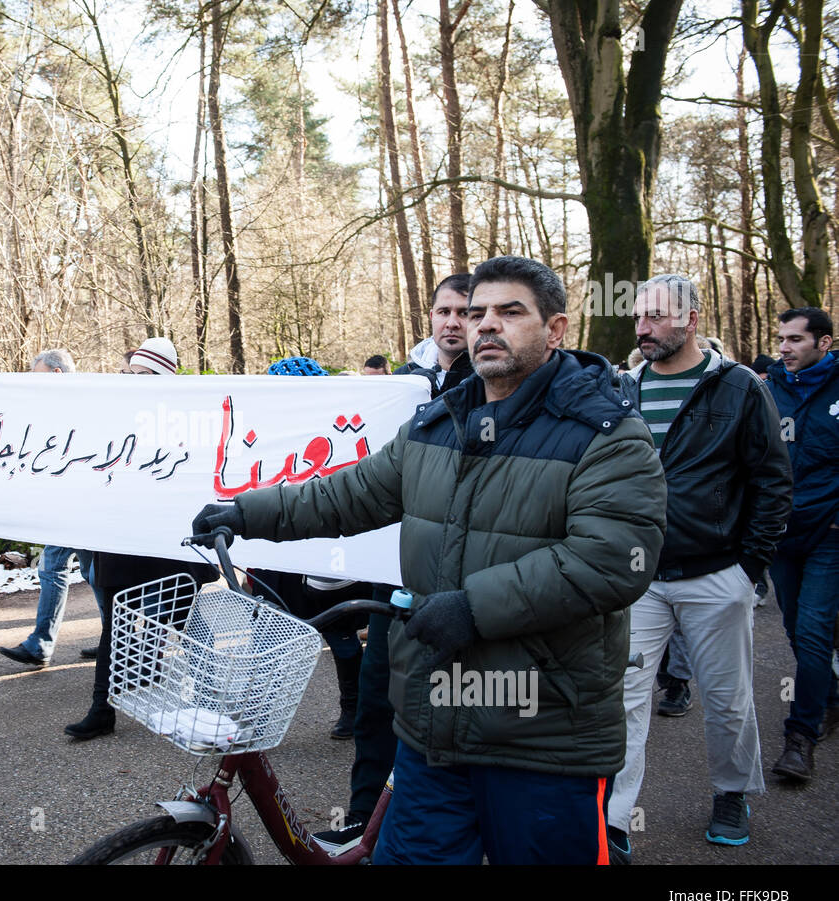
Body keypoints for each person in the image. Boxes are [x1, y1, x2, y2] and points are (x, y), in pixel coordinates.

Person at [195, 255, 666, 864]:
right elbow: (349, 493)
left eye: (509, 312)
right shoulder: (437, 424)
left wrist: (474, 609)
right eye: (476, 314)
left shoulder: (606, 434)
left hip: (543, 734)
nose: (486, 326)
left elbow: (611, 562)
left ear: (555, 329)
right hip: (432, 726)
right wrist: (247, 512)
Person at [607, 275, 791, 859]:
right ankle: (613, 818)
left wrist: (749, 566)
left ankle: (732, 792)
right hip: (638, 578)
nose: (643, 328)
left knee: (728, 696)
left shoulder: (737, 386)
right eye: (639, 317)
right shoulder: (623, 388)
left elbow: (772, 480)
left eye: (657, 317)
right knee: (625, 697)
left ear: (691, 319)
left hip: (717, 573)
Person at [321, 273, 477, 848]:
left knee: (461, 708)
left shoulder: (497, 385)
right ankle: (365, 826)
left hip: (469, 582)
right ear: (430, 317)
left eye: (466, 311)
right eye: (444, 311)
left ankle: (451, 829)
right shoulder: (398, 386)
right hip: (395, 574)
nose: (454, 322)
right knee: (379, 701)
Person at [64, 337, 219, 740]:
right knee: (113, 625)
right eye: (130, 373)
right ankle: (102, 709)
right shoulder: (115, 414)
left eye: (144, 374)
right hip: (121, 537)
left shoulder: (184, 420)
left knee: (188, 623)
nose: (133, 381)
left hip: (167, 543)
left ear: (164, 377)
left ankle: (212, 703)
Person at [250, 356, 372, 741]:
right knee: (268, 634)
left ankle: (354, 709)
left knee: (339, 631)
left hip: (325, 551)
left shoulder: (337, 432)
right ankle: (259, 716)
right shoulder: (263, 432)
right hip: (276, 553)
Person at [764, 307, 839, 780]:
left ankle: (801, 738)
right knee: (794, 625)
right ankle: (827, 694)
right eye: (781, 339)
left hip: (830, 533)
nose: (784, 348)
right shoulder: (768, 389)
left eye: (794, 340)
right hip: (781, 532)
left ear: (824, 343)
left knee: (813, 629)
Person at [0, 348, 95, 667]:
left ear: (56, 374)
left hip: (84, 506)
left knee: (87, 572)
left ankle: (46, 644)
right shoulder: (52, 406)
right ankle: (44, 644)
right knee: (71, 569)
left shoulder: (88, 403)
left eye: (36, 376)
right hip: (66, 506)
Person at [392, 272, 474, 393]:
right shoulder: (403, 378)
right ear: (432, 316)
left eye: (464, 313)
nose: (451, 323)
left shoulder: (495, 380)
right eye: (444, 312)